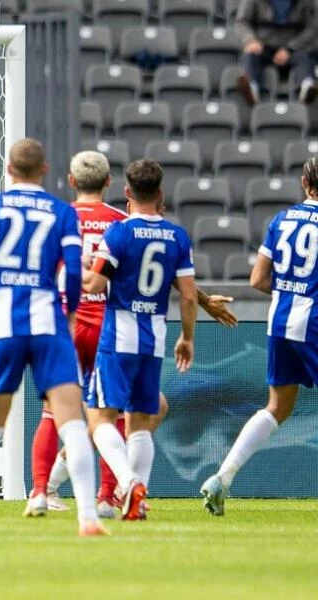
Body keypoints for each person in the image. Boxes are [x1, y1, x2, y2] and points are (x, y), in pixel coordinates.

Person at [28, 152, 238, 519]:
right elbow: (182, 287)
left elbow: (80, 276)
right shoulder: (157, 230)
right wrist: (196, 320)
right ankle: (117, 497)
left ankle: (54, 491)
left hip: (91, 328)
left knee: (77, 415)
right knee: (140, 416)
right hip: (149, 335)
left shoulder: (87, 225)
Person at [0, 138, 106, 537]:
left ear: (8, 169)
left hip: (4, 323)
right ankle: (88, 517)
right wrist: (69, 315)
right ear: (46, 169)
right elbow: (73, 268)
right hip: (48, 322)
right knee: (71, 420)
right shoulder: (61, 212)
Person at [201, 157, 318, 516]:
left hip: (280, 321)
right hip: (312, 321)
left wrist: (292, 290)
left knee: (277, 407)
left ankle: (222, 477)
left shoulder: (282, 220)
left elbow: (257, 279)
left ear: (304, 182)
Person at [82, 159, 198, 520]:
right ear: (161, 194)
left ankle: (130, 482)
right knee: (141, 421)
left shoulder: (118, 233)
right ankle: (139, 503)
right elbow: (189, 296)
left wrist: (77, 268)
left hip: (118, 335)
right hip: (155, 338)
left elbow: (96, 285)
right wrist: (188, 338)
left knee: (100, 419)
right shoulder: (177, 236)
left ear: (128, 193)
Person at [235, 0, 318, 105]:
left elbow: (313, 27)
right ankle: (252, 87)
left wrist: (289, 49)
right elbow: (242, 22)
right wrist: (250, 40)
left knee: (305, 56)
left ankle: (306, 87)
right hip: (263, 46)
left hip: (294, 47)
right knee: (250, 55)